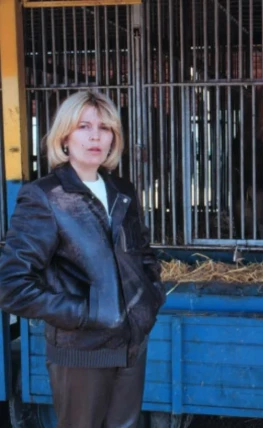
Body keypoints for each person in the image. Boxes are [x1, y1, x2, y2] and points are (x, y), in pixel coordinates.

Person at [0, 91, 165, 427]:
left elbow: (143, 253)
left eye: (105, 128)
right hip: (81, 350)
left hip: (132, 345)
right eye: (84, 126)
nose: (95, 136)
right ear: (64, 136)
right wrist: (87, 313)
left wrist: (149, 299)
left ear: (113, 138)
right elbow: (11, 284)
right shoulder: (45, 196)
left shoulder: (123, 190)